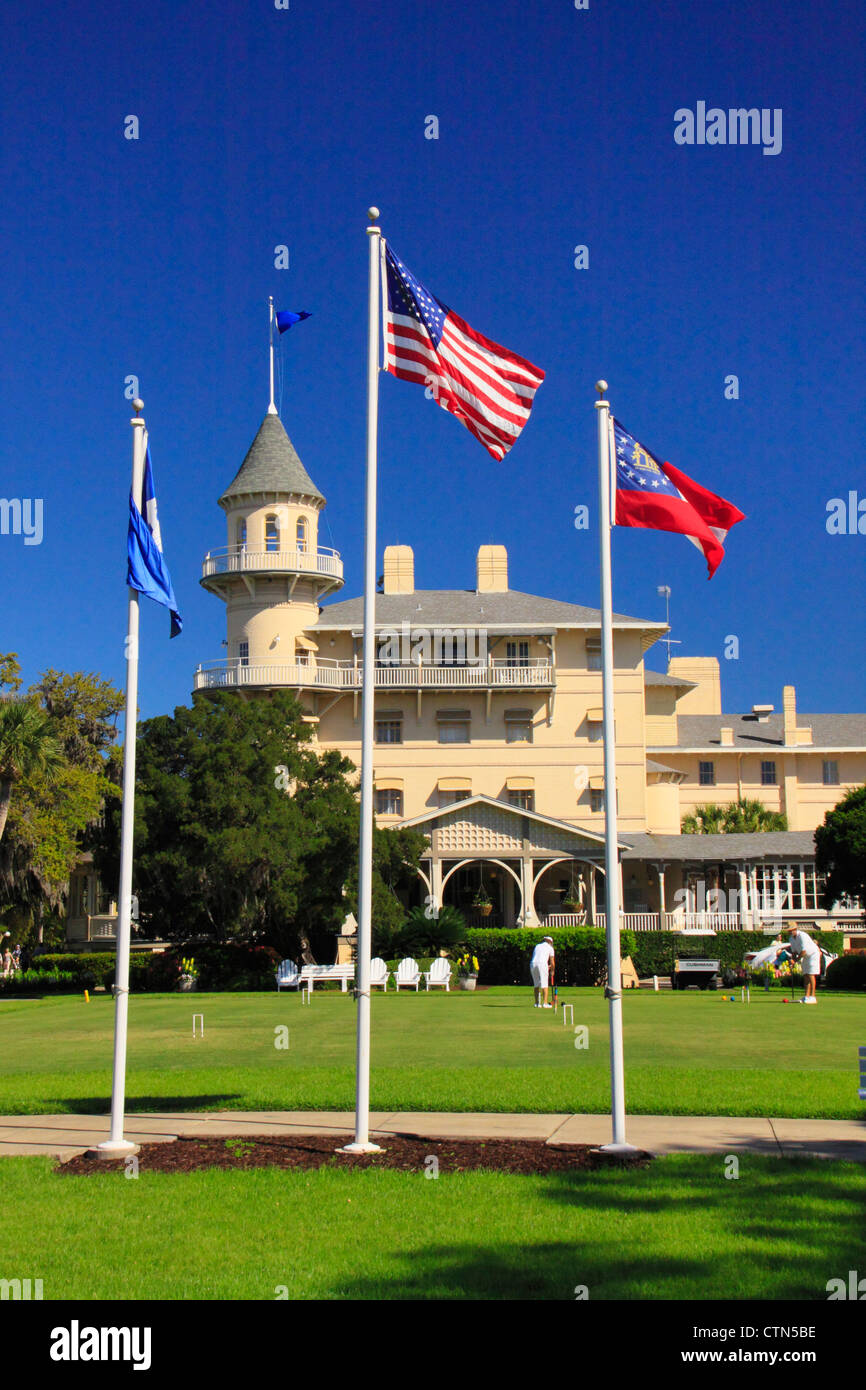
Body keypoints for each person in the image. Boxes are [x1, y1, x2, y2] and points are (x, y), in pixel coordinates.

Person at [784, 925, 822, 1003]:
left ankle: (813, 997)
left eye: (791, 930)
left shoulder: (802, 936)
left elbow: (803, 951)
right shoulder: (791, 939)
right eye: (789, 931)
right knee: (805, 974)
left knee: (811, 974)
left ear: (795, 929)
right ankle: (806, 996)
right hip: (805, 956)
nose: (790, 932)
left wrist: (796, 961)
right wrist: (792, 960)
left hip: (813, 954)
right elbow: (794, 952)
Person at [530, 936, 555, 1008]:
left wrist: (546, 966)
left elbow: (538, 958)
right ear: (550, 942)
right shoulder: (550, 948)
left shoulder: (537, 946)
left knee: (536, 984)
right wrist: (552, 971)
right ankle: (545, 1003)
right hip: (542, 964)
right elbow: (552, 962)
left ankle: (537, 1003)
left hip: (533, 963)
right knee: (544, 984)